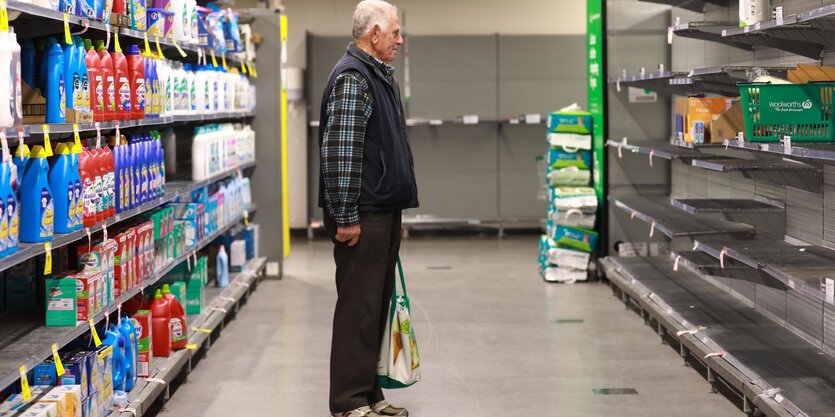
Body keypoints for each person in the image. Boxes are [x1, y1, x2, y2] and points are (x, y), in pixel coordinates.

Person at [318, 0, 419, 416]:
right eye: (394, 32)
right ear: (373, 34)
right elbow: (341, 155)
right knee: (358, 308)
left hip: (383, 209)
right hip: (363, 215)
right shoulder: (353, 79)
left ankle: (369, 393)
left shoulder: (375, 75)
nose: (399, 39)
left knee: (376, 305)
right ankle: (346, 402)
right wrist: (345, 217)